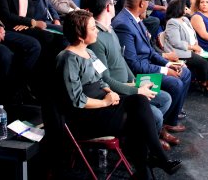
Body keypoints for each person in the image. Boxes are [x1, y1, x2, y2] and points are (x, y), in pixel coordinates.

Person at [55, 10, 182, 178]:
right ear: (80, 35)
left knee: (139, 101)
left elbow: (101, 80)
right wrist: (106, 102)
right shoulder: (68, 59)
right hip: (85, 116)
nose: (97, 31)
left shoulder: (90, 53)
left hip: (102, 104)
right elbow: (77, 100)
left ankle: (149, 167)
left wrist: (109, 92)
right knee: (137, 119)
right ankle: (153, 163)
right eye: (93, 28)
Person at [85, 0, 179, 150]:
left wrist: (134, 81)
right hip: (117, 92)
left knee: (165, 99)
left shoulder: (110, 30)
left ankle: (147, 135)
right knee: (155, 114)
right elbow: (105, 80)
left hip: (129, 84)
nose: (116, 6)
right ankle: (146, 143)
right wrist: (135, 90)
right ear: (108, 7)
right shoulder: (96, 38)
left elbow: (121, 60)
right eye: (114, 4)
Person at [112, 0, 191, 132]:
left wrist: (168, 64)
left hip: (148, 65)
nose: (150, 5)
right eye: (149, 1)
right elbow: (133, 65)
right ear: (142, 3)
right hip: (137, 75)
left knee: (185, 72)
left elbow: (150, 51)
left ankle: (169, 121)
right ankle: (160, 128)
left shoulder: (136, 19)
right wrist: (164, 70)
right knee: (175, 83)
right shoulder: (123, 24)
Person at [162, 0, 208, 98]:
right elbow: (176, 43)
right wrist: (192, 48)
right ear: (179, 8)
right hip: (179, 51)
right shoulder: (172, 22)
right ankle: (204, 82)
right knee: (203, 62)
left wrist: (196, 44)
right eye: (184, 7)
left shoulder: (185, 19)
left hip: (191, 48)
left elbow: (193, 35)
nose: (186, 8)